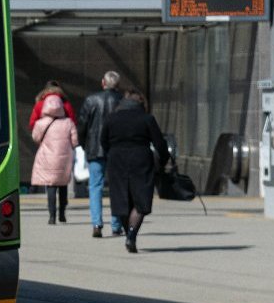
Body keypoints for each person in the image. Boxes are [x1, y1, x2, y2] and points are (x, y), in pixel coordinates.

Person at [102, 87, 171, 254]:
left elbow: (103, 141)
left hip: (117, 159)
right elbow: (160, 143)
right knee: (141, 200)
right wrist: (164, 160)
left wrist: (110, 154)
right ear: (141, 103)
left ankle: (129, 234)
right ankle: (132, 235)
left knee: (121, 199)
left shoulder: (111, 119)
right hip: (141, 159)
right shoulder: (147, 118)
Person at [73, 70, 124, 238]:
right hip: (117, 149)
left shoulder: (91, 100)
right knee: (118, 187)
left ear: (103, 83)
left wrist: (83, 144)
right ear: (118, 85)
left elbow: (82, 125)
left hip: (95, 148)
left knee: (95, 186)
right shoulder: (122, 101)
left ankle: (97, 223)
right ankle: (116, 225)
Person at [29, 92, 80, 223]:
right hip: (64, 160)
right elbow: (75, 141)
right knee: (63, 186)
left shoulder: (40, 123)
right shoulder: (68, 122)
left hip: (48, 159)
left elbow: (35, 137)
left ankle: (52, 216)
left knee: (51, 186)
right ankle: (62, 214)